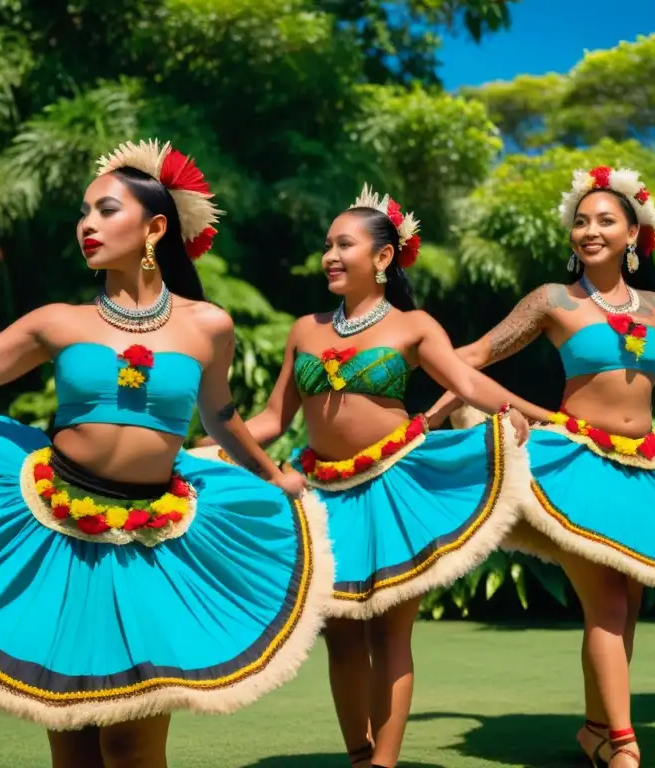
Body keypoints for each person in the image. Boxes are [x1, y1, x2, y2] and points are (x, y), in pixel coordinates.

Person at [0, 139, 332, 768]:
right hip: (57, 533)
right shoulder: (57, 321)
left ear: (155, 227)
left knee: (133, 743)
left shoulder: (208, 326)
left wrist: (273, 475)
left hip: (153, 543)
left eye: (105, 211)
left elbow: (221, 417)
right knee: (74, 738)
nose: (87, 225)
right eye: (83, 214)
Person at [426, 166, 655, 767]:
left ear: (634, 234)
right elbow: (473, 358)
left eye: (605, 220)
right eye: (581, 222)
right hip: (575, 462)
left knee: (625, 607)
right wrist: (429, 414)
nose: (589, 230)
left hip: (647, 466)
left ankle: (595, 729)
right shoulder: (553, 300)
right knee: (609, 604)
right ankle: (624, 746)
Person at [196, 184, 555, 768]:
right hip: (324, 493)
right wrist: (206, 447)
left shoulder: (414, 328)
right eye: (326, 245)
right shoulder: (304, 330)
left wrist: (516, 412)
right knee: (339, 634)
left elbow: (468, 385)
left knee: (390, 633)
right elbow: (270, 418)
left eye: (345, 244)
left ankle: (383, 765)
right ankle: (360, 756)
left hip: (395, 488)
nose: (330, 256)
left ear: (383, 258)